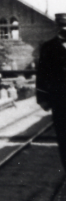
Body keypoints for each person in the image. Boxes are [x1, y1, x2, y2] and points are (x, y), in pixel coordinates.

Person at [36, 13, 66, 171]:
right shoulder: (48, 47)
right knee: (63, 138)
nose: (65, 28)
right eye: (61, 25)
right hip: (59, 101)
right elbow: (41, 74)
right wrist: (42, 98)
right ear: (56, 26)